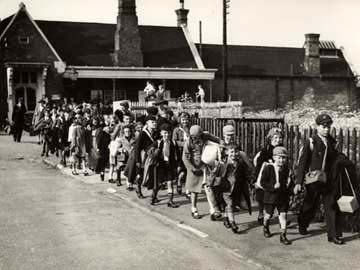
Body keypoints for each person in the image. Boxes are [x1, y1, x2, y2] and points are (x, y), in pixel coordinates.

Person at [294, 113, 344, 245]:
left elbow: (335, 160)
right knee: (311, 204)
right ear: (317, 127)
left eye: (328, 126)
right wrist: (299, 182)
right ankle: (302, 223)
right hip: (314, 180)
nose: (326, 129)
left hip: (328, 180)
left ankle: (333, 235)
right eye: (323, 126)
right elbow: (303, 163)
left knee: (331, 205)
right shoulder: (311, 141)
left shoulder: (333, 142)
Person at [258, 146, 293, 245]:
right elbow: (262, 182)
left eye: (283, 158)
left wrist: (291, 189)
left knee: (283, 215)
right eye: (279, 157)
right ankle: (265, 226)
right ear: (274, 157)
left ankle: (283, 235)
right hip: (270, 197)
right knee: (268, 215)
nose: (281, 160)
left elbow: (288, 182)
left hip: (282, 197)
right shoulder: (269, 168)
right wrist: (272, 186)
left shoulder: (286, 170)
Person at [253, 127, 283, 225]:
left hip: (277, 178)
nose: (277, 140)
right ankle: (262, 214)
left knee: (279, 197)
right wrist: (255, 180)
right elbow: (258, 165)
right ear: (270, 139)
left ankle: (281, 217)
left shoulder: (282, 149)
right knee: (263, 197)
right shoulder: (265, 150)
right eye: (275, 138)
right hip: (266, 178)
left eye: (279, 138)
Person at [221, 144, 252, 233]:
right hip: (226, 189)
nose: (234, 154)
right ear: (227, 152)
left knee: (231, 205)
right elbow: (220, 175)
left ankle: (227, 218)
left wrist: (249, 180)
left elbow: (245, 173)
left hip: (236, 188)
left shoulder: (241, 163)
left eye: (236, 152)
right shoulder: (224, 163)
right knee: (230, 204)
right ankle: (233, 223)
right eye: (232, 152)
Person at [150, 123, 181, 207]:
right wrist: (154, 152)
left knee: (170, 183)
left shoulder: (173, 143)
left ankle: (170, 201)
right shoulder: (157, 142)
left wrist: (178, 165)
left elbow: (178, 155)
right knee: (159, 184)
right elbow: (151, 152)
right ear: (161, 133)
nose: (167, 135)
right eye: (165, 133)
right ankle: (153, 197)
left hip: (170, 165)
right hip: (160, 166)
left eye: (168, 133)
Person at [134, 115, 158, 199]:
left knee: (154, 174)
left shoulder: (156, 133)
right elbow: (137, 147)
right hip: (144, 157)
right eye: (152, 122)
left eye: (155, 122)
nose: (154, 124)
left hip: (154, 156)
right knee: (141, 174)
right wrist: (137, 160)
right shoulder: (143, 133)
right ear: (147, 123)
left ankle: (154, 195)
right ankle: (138, 188)